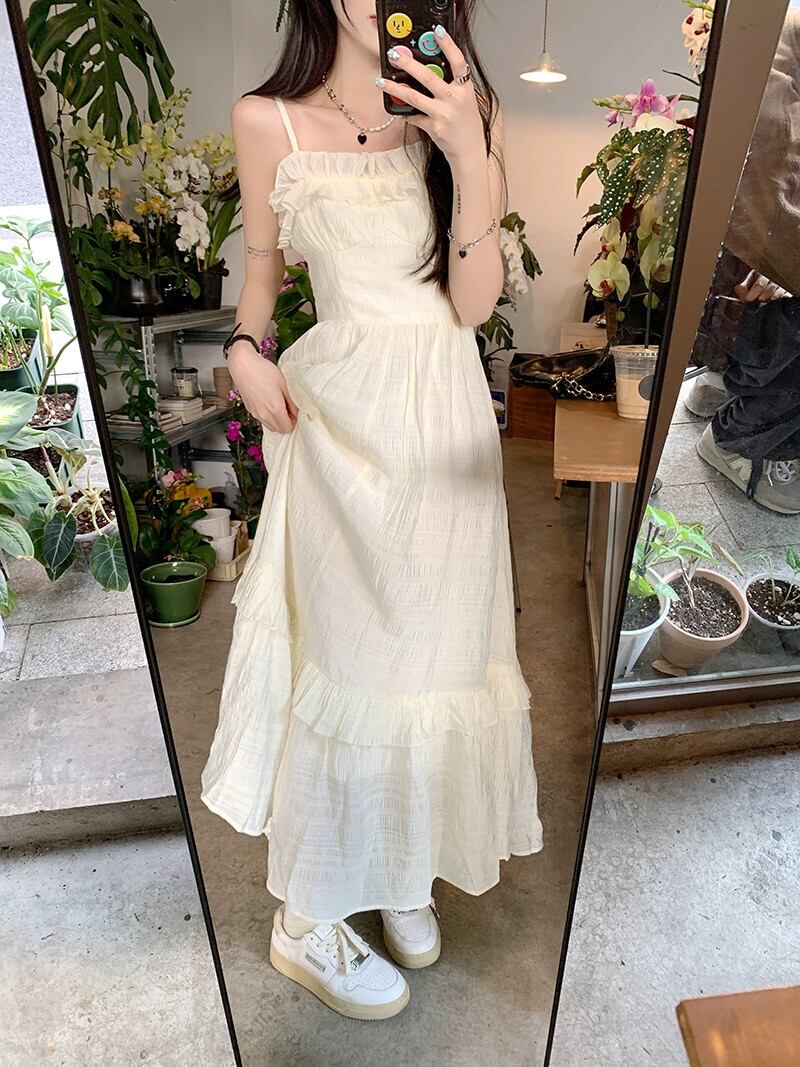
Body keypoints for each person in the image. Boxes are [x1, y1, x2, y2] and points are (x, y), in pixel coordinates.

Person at [200, 0, 543, 1021]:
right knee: (348, 659)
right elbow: (263, 272)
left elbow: (472, 306)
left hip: (445, 427)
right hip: (339, 428)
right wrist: (242, 350)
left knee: (437, 656)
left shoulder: (463, 107)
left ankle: (398, 863)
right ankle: (304, 917)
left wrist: (469, 152)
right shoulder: (267, 120)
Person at [687, 6, 800, 514]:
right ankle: (737, 441)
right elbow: (768, 141)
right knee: (773, 340)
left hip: (760, 238)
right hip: (763, 245)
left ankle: (724, 393)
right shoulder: (781, 29)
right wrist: (777, 257)